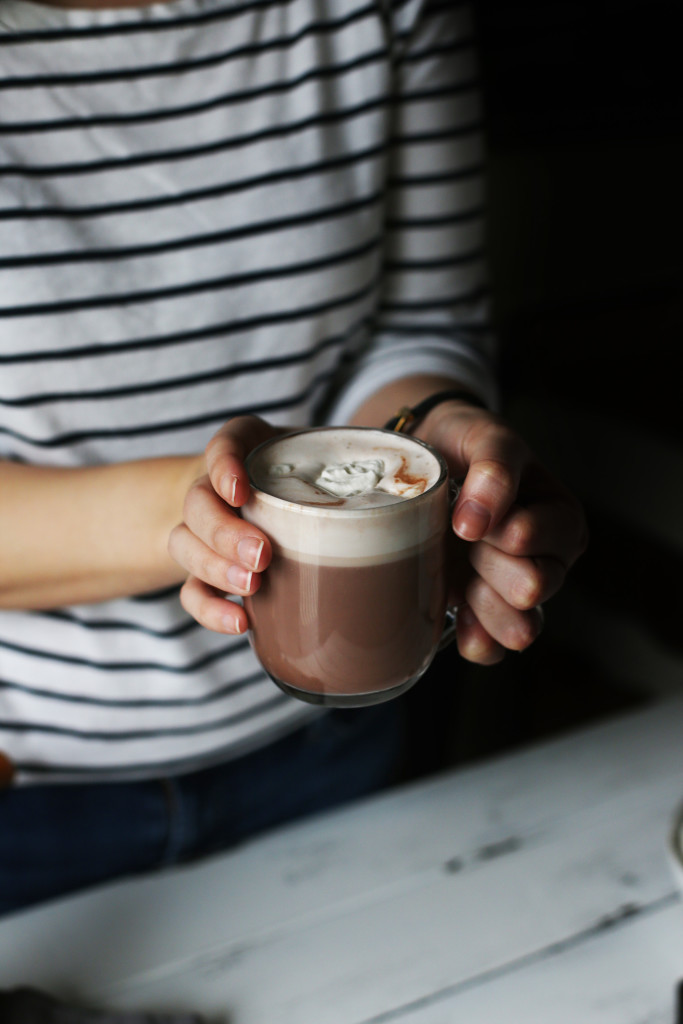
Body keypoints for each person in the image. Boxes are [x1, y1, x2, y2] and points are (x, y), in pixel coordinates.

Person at [0, 0, 586, 914]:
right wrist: (224, 503)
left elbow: (418, 325)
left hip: (332, 735)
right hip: (27, 791)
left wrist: (430, 428)